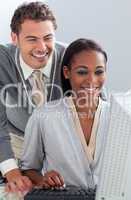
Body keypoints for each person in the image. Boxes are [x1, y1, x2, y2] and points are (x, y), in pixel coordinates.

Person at [21, 38, 109, 189]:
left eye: (99, 72)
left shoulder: (120, 117)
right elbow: (28, 169)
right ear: (67, 73)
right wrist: (43, 179)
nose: (92, 80)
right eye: (82, 72)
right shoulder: (43, 116)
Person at [0, 1, 66, 194]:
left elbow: (100, 110)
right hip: (16, 146)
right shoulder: (2, 60)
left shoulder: (72, 57)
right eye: (32, 39)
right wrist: (12, 172)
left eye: (48, 38)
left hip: (61, 149)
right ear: (15, 38)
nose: (42, 47)